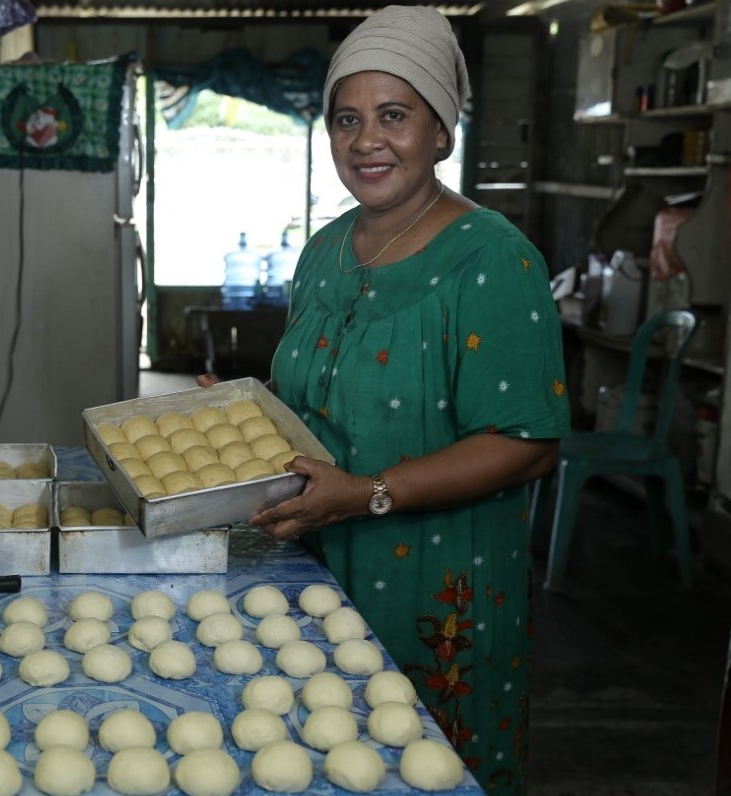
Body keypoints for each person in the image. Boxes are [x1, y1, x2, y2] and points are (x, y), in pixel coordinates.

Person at [202, 7, 570, 793]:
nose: (366, 140)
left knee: (422, 766)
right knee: (312, 759)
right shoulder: (325, 250)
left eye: (394, 116)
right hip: (312, 564)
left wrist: (365, 495)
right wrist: (239, 411)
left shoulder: (493, 260)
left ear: (441, 132)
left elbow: (528, 443)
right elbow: (317, 392)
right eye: (346, 119)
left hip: (434, 587)